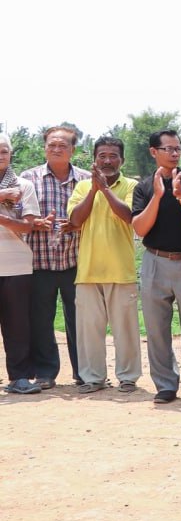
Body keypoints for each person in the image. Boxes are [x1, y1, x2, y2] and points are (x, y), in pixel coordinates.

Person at [130, 130, 181, 404]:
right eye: (169, 149)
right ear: (154, 152)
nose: (175, 154)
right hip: (155, 261)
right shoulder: (143, 187)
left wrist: (180, 196)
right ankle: (165, 384)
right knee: (156, 327)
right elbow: (140, 228)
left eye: (178, 149)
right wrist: (157, 195)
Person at [65, 137, 140, 395]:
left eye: (113, 156)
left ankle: (128, 377)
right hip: (87, 271)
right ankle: (93, 378)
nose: (107, 161)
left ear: (122, 160)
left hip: (121, 270)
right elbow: (75, 220)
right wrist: (94, 190)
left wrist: (106, 189)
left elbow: (129, 215)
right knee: (88, 331)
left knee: (126, 330)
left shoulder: (132, 186)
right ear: (94, 159)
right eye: (102, 156)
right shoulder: (82, 187)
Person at [20, 125, 91, 388]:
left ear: (73, 149)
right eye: (52, 145)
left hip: (76, 261)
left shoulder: (85, 180)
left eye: (63, 145)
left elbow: (94, 217)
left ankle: (84, 373)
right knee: (41, 321)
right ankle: (46, 373)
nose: (57, 149)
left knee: (79, 320)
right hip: (39, 261)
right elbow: (19, 216)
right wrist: (36, 223)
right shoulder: (28, 178)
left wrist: (76, 224)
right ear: (44, 148)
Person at [0, 133, 42, 395]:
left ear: (10, 154)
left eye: (4, 150)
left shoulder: (23, 186)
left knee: (17, 325)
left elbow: (27, 226)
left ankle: (20, 378)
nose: (0, 154)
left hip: (16, 265)